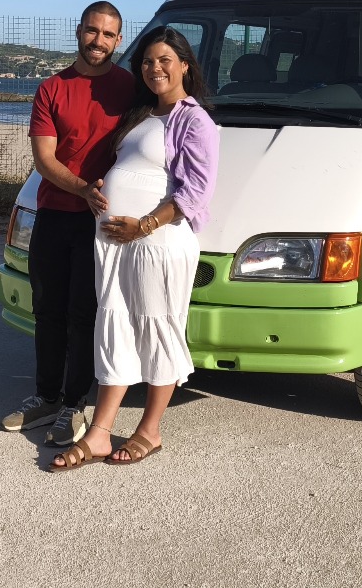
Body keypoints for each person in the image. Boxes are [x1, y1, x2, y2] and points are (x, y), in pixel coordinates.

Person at [52, 26, 218, 470]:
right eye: (147, 61)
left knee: (158, 329)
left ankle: (150, 430)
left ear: (186, 66)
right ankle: (100, 433)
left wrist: (143, 225)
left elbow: (195, 192)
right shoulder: (142, 113)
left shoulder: (195, 121)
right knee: (117, 328)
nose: (154, 68)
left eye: (165, 60)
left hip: (157, 244)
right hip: (118, 245)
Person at [2, 1, 134, 447]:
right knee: (48, 311)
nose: (99, 41)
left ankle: (76, 404)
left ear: (119, 40)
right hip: (56, 215)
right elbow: (44, 159)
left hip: (102, 222)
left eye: (108, 34)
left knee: (84, 314)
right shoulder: (52, 89)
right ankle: (45, 397)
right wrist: (82, 189)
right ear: (79, 31)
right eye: (92, 31)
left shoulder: (130, 89)